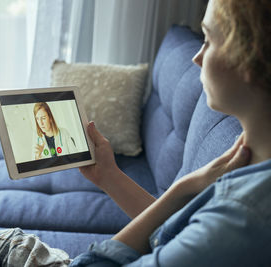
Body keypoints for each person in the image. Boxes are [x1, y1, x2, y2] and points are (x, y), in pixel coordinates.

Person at [70, 0, 271, 266]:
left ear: (251, 56)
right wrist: (109, 175)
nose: (197, 58)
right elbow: (170, 240)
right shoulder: (246, 160)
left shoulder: (239, 219)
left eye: (209, 39)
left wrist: (183, 189)